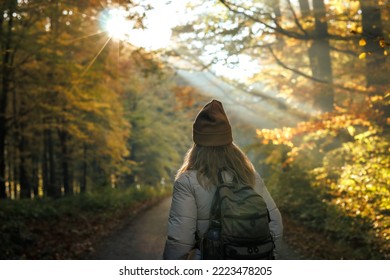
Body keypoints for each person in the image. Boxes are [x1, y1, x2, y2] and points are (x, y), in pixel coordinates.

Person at [163, 99, 283, 260]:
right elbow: (275, 223)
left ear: (197, 144)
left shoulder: (187, 182)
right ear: (229, 142)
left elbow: (180, 239)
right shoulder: (249, 175)